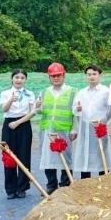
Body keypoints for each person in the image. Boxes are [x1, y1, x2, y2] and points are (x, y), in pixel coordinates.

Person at [36, 62, 76, 194]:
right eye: (53, 76)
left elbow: (77, 114)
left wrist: (74, 128)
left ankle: (65, 185)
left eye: (58, 75)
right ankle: (51, 185)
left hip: (65, 130)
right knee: (48, 158)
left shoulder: (72, 92)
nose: (56, 78)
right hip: (48, 130)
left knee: (66, 157)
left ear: (64, 75)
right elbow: (38, 110)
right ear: (49, 77)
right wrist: (37, 108)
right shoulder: (44, 92)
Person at [0, 69, 36, 199]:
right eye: (16, 77)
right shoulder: (5, 93)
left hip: (24, 124)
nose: (19, 80)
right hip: (9, 125)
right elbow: (4, 109)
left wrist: (18, 123)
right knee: (9, 156)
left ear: (25, 80)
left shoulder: (30, 94)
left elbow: (32, 112)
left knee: (24, 156)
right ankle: (10, 189)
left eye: (22, 77)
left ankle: (22, 188)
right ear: (12, 78)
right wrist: (10, 100)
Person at [72, 65, 111, 178]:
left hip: (100, 128)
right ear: (86, 76)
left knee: (102, 153)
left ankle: (104, 180)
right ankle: (85, 181)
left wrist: (104, 122)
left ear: (99, 75)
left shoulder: (106, 91)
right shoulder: (81, 92)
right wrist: (78, 109)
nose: (91, 77)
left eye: (94, 74)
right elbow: (74, 108)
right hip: (85, 128)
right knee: (85, 154)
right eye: (89, 74)